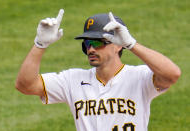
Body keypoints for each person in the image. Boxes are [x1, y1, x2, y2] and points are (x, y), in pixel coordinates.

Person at [15, 9, 181, 131]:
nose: (91, 49)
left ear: (117, 45)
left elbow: (172, 74)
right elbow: (25, 85)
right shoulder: (72, 80)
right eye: (87, 43)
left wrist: (131, 44)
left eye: (97, 43)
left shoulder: (139, 77)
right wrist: (40, 44)